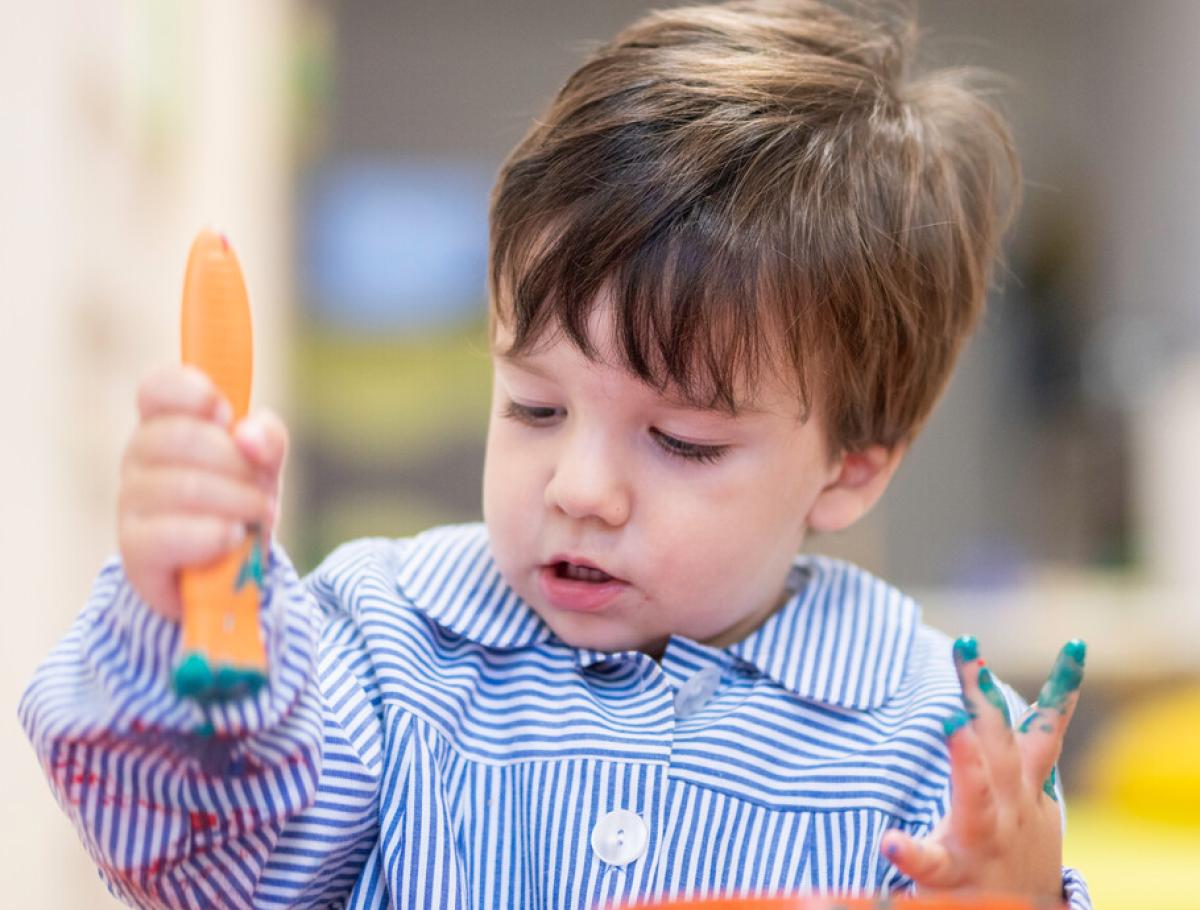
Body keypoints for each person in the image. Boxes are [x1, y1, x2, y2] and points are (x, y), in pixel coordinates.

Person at [21, 1, 1091, 907]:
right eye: (534, 407)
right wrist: (178, 614)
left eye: (681, 439)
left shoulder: (931, 745)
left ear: (855, 463)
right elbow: (195, 854)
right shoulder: (378, 646)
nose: (579, 490)